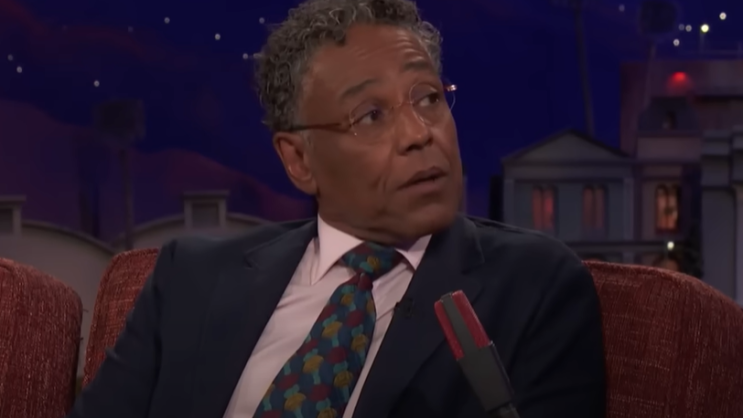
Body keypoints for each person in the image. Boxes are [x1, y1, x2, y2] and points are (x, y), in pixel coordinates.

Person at [68, 0, 606, 417]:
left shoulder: (535, 287)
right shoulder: (189, 280)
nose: (420, 134)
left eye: (428, 98)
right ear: (299, 160)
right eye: (371, 115)